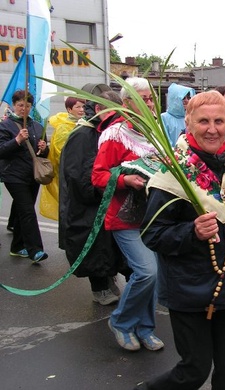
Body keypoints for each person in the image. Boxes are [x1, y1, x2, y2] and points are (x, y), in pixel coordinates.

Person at [136, 90, 225, 389]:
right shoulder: (173, 174)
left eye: (219, 121)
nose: (212, 128)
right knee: (194, 370)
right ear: (189, 123)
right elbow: (152, 233)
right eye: (203, 121)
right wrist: (191, 232)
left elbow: (223, 221)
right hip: (190, 290)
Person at [91, 77, 164, 351]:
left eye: (150, 99)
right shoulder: (115, 134)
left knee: (155, 276)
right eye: (142, 99)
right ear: (126, 103)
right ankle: (121, 322)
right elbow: (97, 176)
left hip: (154, 217)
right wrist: (126, 180)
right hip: (125, 218)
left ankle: (145, 329)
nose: (148, 104)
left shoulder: (157, 132)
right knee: (147, 272)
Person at [60, 88, 129, 306]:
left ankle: (108, 278)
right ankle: (99, 286)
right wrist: (104, 187)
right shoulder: (82, 135)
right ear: (99, 110)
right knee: (94, 246)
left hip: (109, 199)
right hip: (89, 204)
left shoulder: (109, 131)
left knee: (110, 248)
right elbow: (78, 176)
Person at [0, 90, 49, 262]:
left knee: (24, 210)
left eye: (27, 105)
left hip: (32, 175)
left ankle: (17, 246)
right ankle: (35, 250)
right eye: (20, 105)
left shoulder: (36, 125)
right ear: (14, 105)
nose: (24, 109)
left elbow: (42, 154)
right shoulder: (5, 125)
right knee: (28, 211)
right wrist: (17, 140)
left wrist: (44, 148)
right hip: (13, 176)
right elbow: (1, 151)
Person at [39, 96, 85, 220]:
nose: (82, 110)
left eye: (83, 107)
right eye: (78, 107)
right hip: (67, 172)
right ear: (69, 109)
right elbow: (61, 153)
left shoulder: (84, 124)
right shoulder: (63, 127)